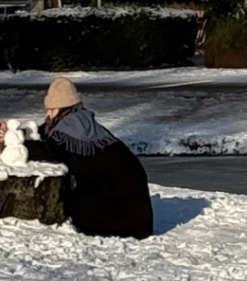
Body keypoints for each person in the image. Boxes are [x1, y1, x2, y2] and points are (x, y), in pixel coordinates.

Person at [23, 76, 153, 237]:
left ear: (63, 108)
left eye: (52, 109)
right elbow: (42, 134)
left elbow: (49, 150)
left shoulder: (72, 126)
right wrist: (14, 134)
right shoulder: (77, 121)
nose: (48, 115)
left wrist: (19, 146)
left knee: (76, 211)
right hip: (120, 187)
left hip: (120, 193)